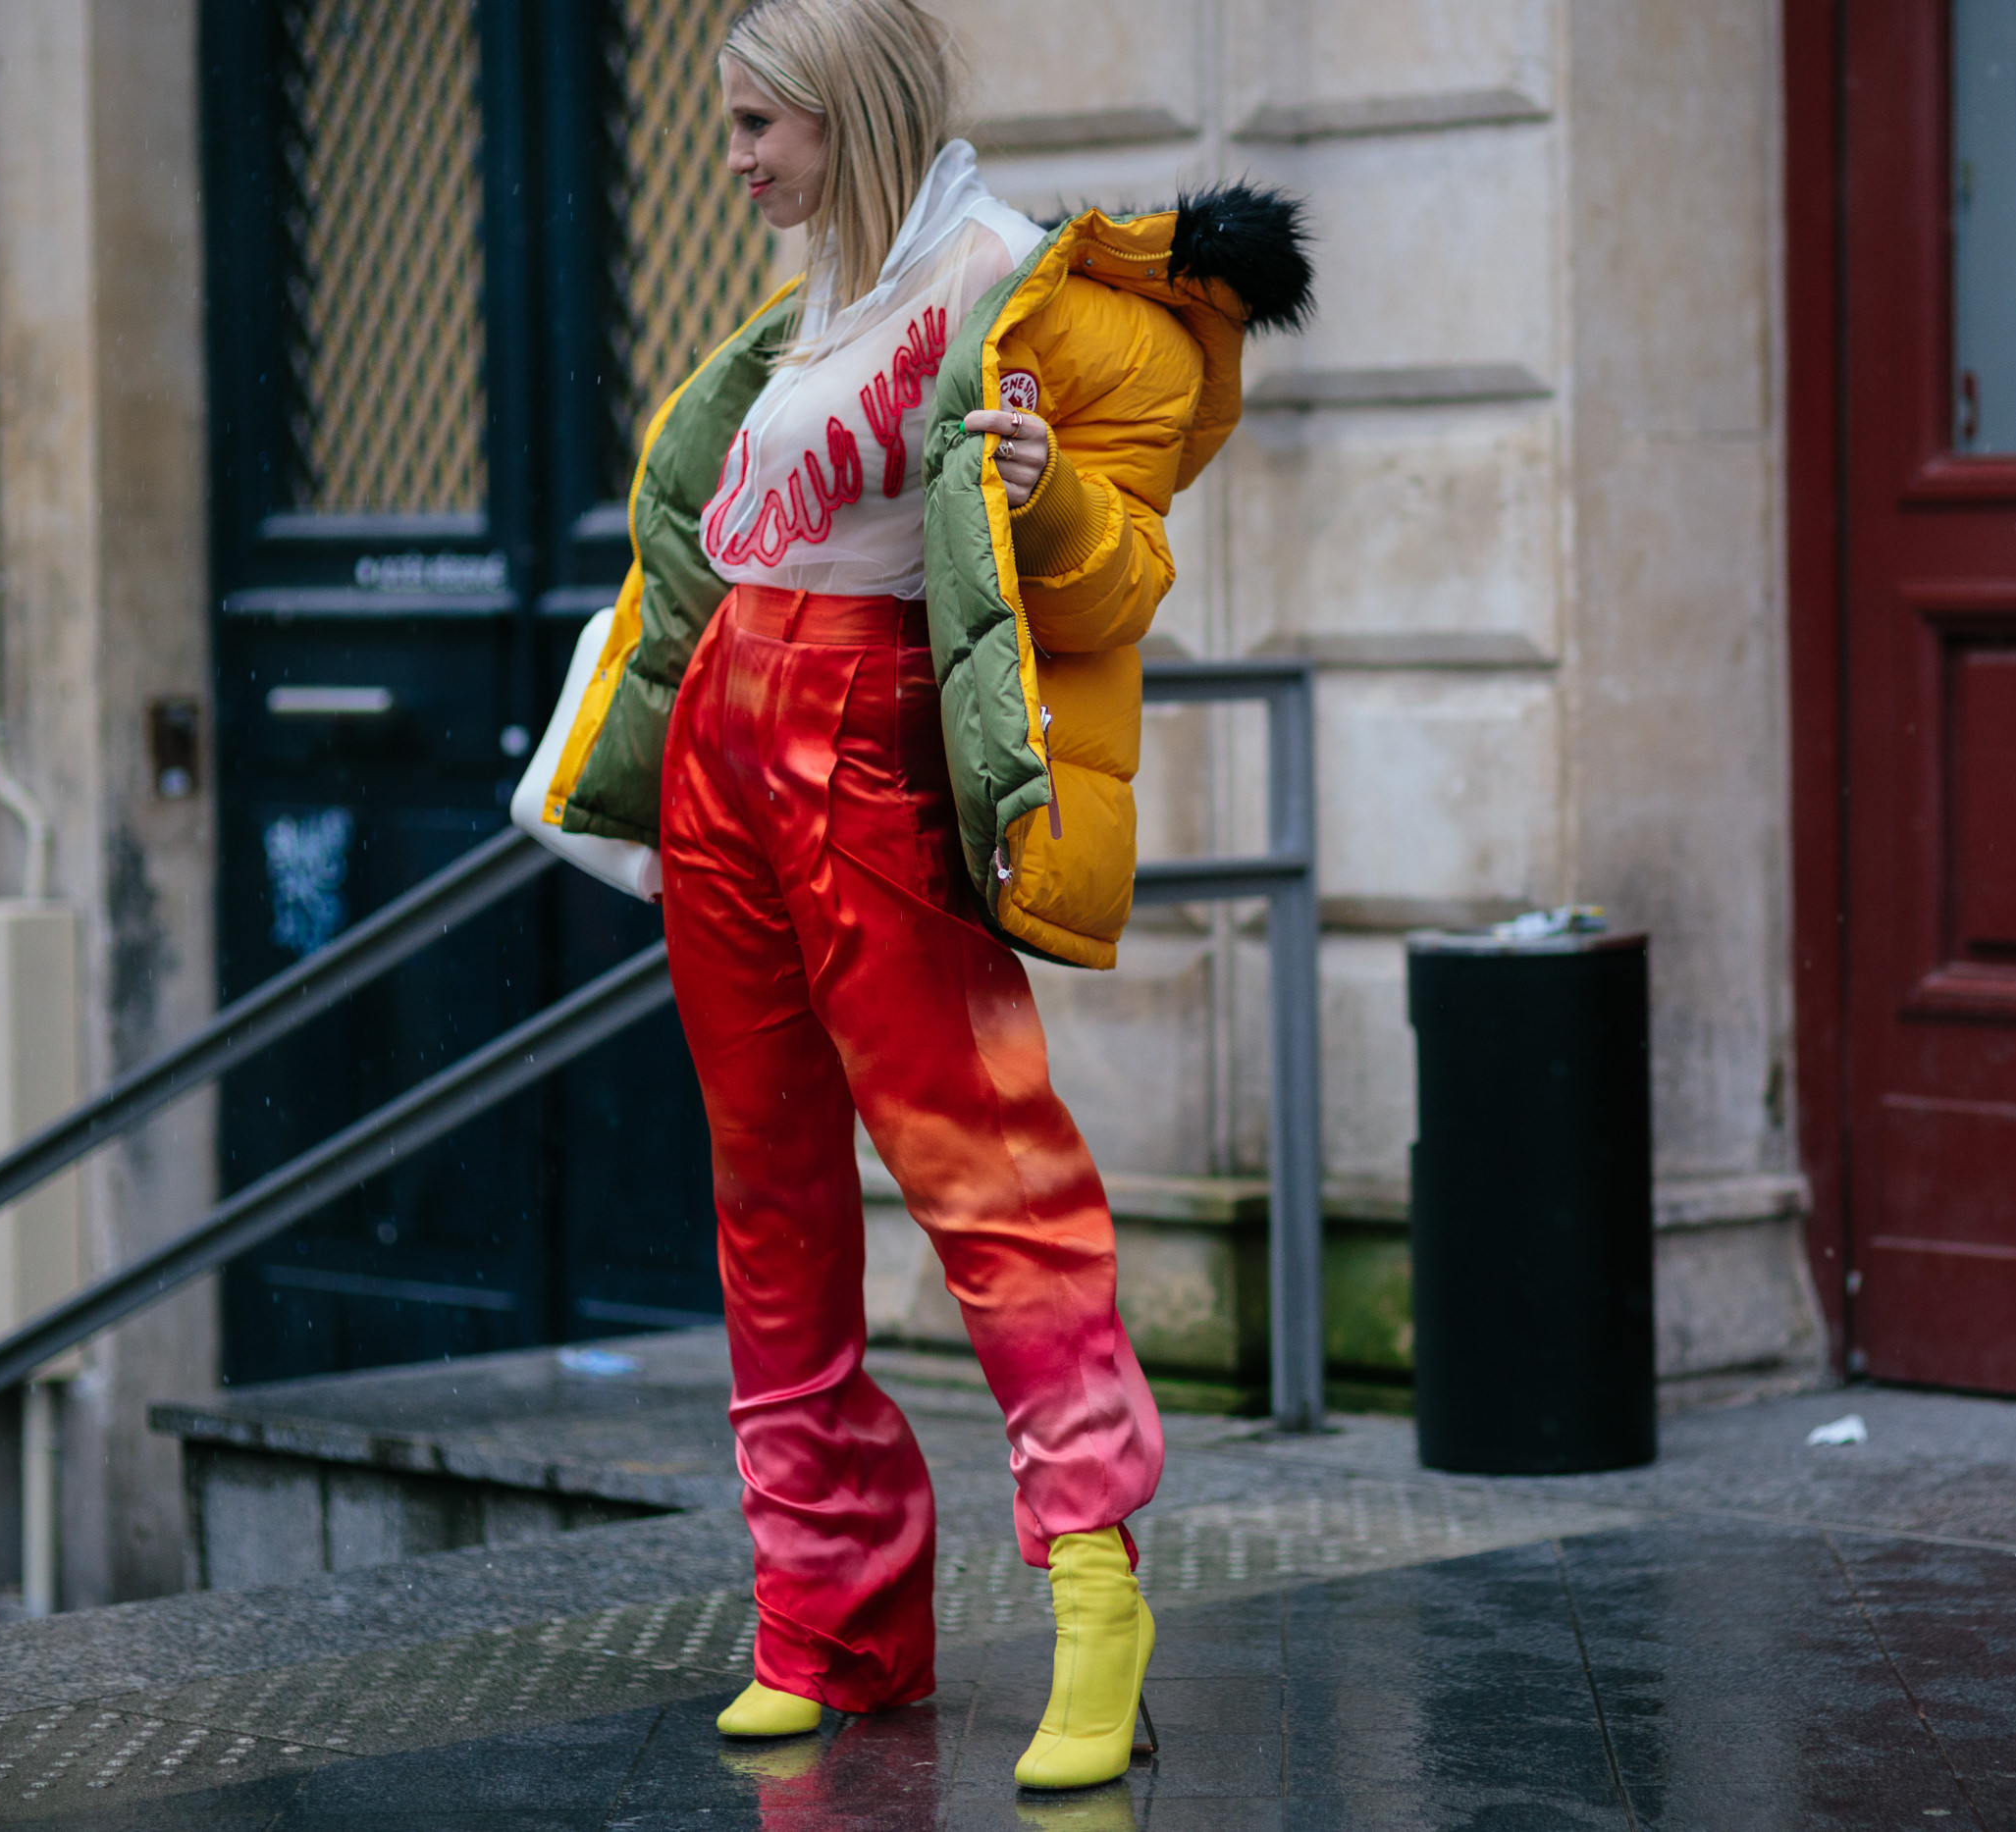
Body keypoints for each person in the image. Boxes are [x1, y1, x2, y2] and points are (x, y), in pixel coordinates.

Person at [529, 0, 1308, 1791]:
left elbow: (1121, 589)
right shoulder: (796, 313)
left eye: (758, 126)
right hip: (731, 745)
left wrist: (1036, 511)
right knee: (769, 1186)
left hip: (873, 744)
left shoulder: (1005, 284)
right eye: (729, 124)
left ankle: (1098, 1591)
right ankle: (827, 1611)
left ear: (848, 116)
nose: (733, 159)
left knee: (986, 1166)